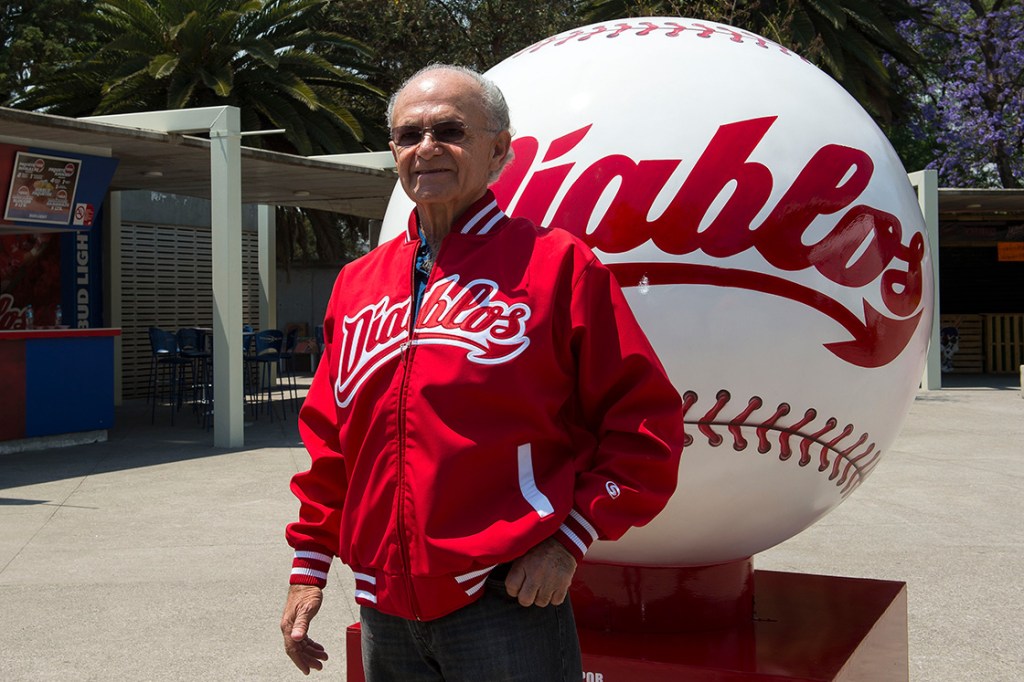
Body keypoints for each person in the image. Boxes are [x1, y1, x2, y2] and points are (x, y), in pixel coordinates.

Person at [280, 64, 685, 681]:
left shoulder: (557, 266)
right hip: (383, 605)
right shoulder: (358, 284)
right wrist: (308, 568)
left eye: (450, 130)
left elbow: (646, 425)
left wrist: (568, 541)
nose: (426, 148)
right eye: (408, 134)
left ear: (499, 151)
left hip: (507, 600)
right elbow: (332, 441)